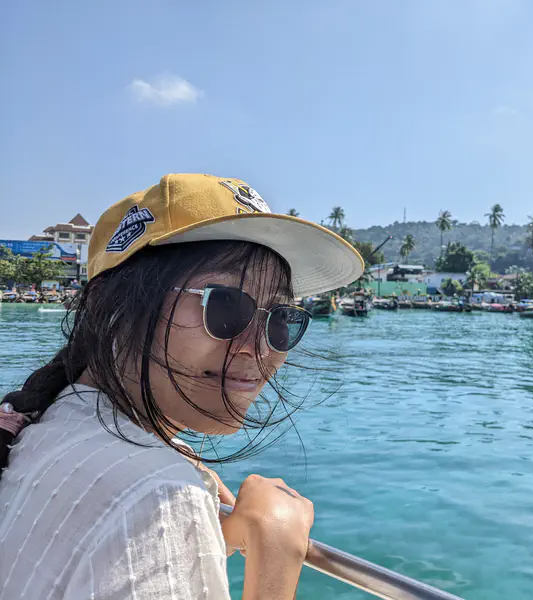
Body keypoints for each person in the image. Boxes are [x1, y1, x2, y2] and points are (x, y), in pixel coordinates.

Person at [0, 174, 364, 600]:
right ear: (111, 309)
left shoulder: (46, 423)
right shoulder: (160, 498)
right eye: (226, 303)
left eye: (281, 317)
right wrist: (277, 554)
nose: (258, 348)